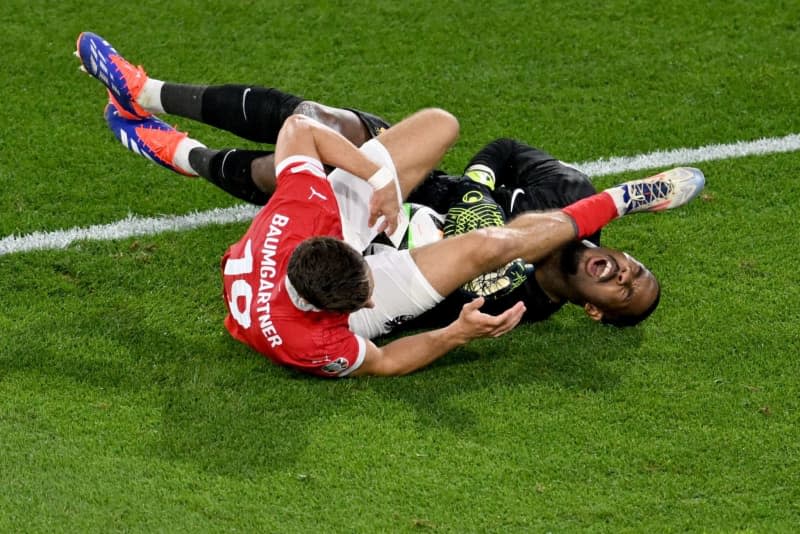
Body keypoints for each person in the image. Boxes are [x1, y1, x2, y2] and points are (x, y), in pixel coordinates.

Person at [75, 32, 702, 342]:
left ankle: (182, 154)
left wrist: (451, 326)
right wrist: (477, 189)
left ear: (593, 310)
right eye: (634, 268)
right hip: (416, 183)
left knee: (296, 171)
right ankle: (146, 92)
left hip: (365, 245)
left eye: (623, 293)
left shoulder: (510, 306)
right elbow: (506, 149)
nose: (622, 274)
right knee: (325, 122)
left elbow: (393, 312)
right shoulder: (569, 190)